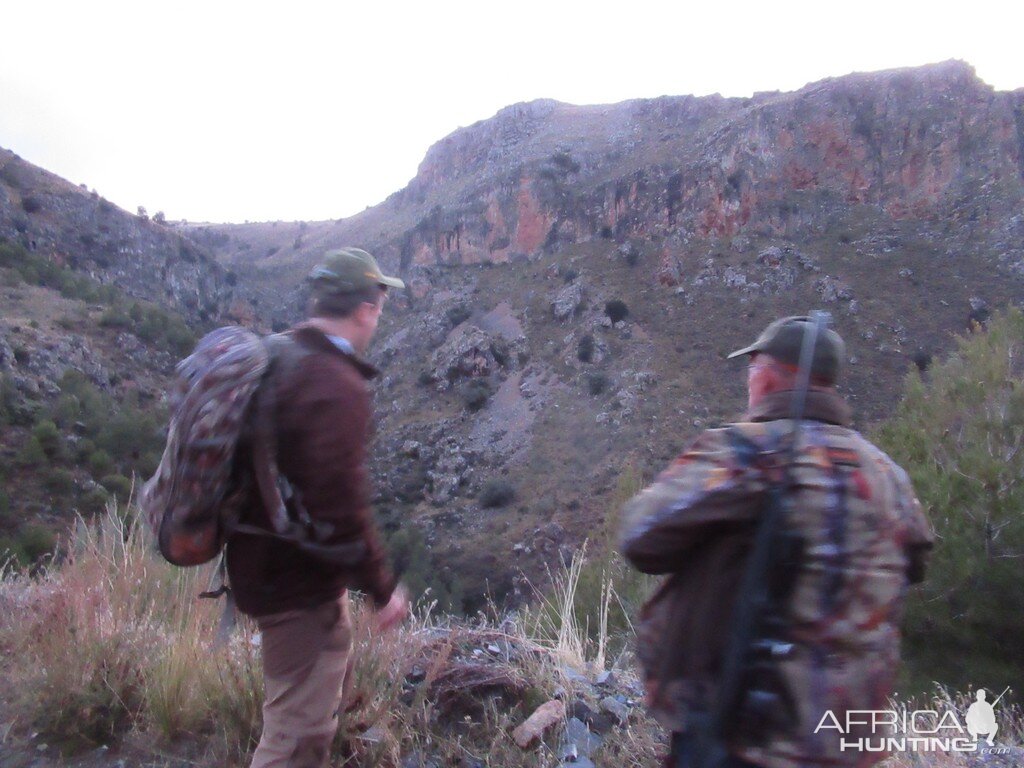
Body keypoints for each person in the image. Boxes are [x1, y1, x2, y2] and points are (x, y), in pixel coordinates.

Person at [619, 316, 934, 768]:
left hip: (744, 730)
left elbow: (639, 536)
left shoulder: (745, 452)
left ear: (769, 373)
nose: (750, 380)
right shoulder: (889, 475)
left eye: (752, 367)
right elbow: (916, 561)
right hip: (848, 740)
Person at [226, 247, 410, 768]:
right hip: (295, 584)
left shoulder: (281, 352)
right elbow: (340, 504)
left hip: (260, 564)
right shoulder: (333, 382)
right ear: (367, 308)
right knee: (294, 736)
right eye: (379, 304)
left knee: (322, 693)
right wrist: (382, 588)